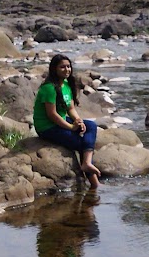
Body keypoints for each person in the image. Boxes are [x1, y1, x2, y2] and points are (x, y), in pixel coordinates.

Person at [34, 54, 101, 188]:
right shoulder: (49, 88)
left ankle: (87, 163)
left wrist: (78, 120)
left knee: (91, 126)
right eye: (62, 67)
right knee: (82, 143)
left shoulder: (66, 84)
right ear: (54, 69)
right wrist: (71, 127)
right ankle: (95, 183)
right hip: (47, 126)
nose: (67, 70)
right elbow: (52, 114)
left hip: (61, 120)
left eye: (68, 66)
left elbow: (70, 108)